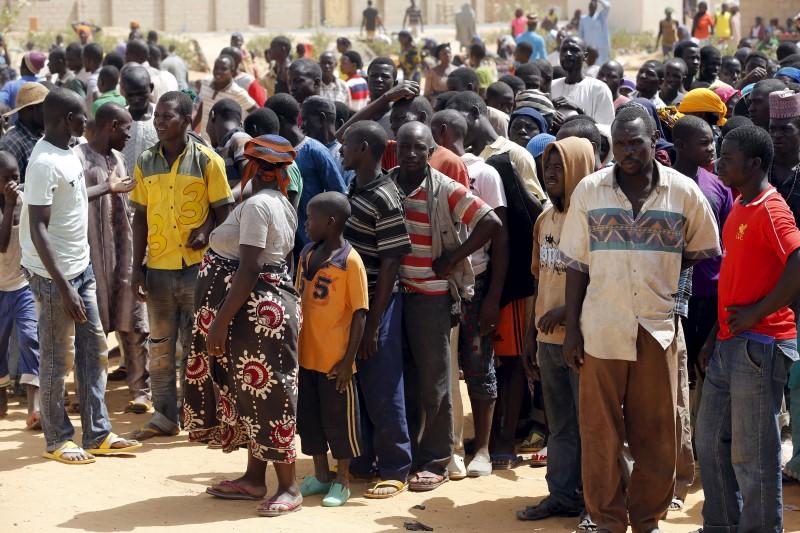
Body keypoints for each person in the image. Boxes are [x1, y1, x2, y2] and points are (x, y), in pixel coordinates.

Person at [559, 105, 721, 533]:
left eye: (636, 142)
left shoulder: (684, 192)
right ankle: (607, 519)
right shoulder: (590, 191)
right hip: (601, 328)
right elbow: (576, 264)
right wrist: (571, 329)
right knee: (600, 436)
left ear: (654, 141)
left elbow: (702, 249)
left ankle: (646, 519)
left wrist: (659, 274)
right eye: (620, 144)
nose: (628, 151)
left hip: (657, 329)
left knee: (657, 436)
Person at [20, 88, 143, 463]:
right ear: (65, 119)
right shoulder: (43, 163)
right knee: (57, 358)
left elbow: (70, 199)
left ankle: (97, 433)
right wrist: (63, 286)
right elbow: (39, 228)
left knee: (94, 351)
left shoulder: (66, 153)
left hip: (81, 267)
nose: (87, 124)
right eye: (81, 117)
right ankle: (57, 439)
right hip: (54, 276)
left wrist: (106, 187)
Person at [182, 134, 302, 516]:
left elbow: (250, 267)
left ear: (251, 168)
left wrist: (219, 323)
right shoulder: (279, 202)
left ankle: (289, 487)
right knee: (251, 391)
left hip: (255, 314)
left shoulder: (259, 206)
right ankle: (253, 479)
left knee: (270, 394)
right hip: (255, 312)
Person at [696, 124, 800, 533]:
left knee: (753, 453)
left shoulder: (772, 208)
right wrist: (713, 336)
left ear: (754, 164)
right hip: (729, 341)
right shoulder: (742, 202)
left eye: (729, 158)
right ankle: (721, 524)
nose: (720, 164)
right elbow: (735, 277)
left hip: (761, 342)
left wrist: (758, 312)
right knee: (709, 440)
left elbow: (797, 260)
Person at [391, 121, 500, 491]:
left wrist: (453, 257)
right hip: (393, 297)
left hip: (433, 297)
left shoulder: (445, 189)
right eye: (404, 146)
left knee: (436, 381)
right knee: (402, 379)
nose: (410, 154)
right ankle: (406, 456)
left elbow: (491, 222)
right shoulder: (388, 184)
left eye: (418, 148)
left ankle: (436, 461)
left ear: (430, 149)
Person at [129, 91, 234, 441]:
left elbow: (225, 215)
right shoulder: (145, 161)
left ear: (187, 120)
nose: (159, 122)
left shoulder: (207, 161)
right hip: (158, 269)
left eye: (167, 116)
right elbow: (140, 219)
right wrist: (136, 269)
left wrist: (206, 232)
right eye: (157, 116)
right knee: (159, 346)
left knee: (197, 347)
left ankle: (201, 418)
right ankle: (164, 416)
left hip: (197, 270)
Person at [516, 136, 595, 523]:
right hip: (547, 341)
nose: (550, 173)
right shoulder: (544, 220)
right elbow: (539, 278)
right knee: (560, 425)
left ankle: (598, 501)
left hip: (583, 340)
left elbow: (603, 278)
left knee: (592, 425)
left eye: (559, 166)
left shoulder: (594, 219)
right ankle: (562, 495)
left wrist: (568, 311)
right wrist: (531, 334)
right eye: (547, 166)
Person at [430, 109, 509, 477]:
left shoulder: (486, 173)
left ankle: (483, 450)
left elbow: (499, 233)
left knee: (479, 364)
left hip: (475, 283)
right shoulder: (427, 169)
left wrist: (494, 295)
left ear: (442, 132)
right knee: (444, 367)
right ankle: (448, 446)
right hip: (439, 286)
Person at [339, 121, 413, 498]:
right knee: (359, 385)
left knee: (384, 386)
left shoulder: (386, 195)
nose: (341, 151)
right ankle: (364, 460)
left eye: (347, 145)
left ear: (364, 148)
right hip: (355, 303)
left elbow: (391, 263)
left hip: (378, 302)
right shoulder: (356, 186)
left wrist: (373, 324)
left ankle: (396, 468)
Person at [670, 115, 733, 510]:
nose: (711, 149)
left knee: (706, 374)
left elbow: (726, 243)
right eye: (703, 143)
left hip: (711, 293)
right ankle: (680, 460)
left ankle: (703, 459)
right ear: (680, 145)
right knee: (678, 380)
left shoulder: (718, 186)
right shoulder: (662, 184)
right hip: (675, 295)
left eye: (712, 143)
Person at [75, 103, 151, 414]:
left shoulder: (119, 159)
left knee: (134, 326)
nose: (129, 135)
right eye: (125, 128)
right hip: (89, 259)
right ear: (111, 127)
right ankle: (89, 396)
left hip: (122, 257)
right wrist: (107, 188)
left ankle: (140, 392)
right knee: (91, 335)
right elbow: (70, 198)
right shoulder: (77, 158)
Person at [295, 191, 368, 507]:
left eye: (311, 218)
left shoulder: (351, 262)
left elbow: (360, 313)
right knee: (310, 421)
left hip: (334, 361)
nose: (306, 224)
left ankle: (343, 480)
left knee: (340, 423)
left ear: (331, 222)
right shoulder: (307, 254)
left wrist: (348, 359)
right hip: (305, 356)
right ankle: (321, 475)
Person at [265, 93, 346, 253]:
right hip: (280, 239)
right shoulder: (272, 152)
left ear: (279, 120)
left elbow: (339, 194)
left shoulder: (315, 150)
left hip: (310, 241)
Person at [0, 152, 40, 428]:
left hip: (23, 283)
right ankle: (1, 398)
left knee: (29, 339)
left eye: (16, 177)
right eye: (6, 178)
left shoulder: (24, 201)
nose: (13, 182)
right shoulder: (9, 203)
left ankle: (34, 407)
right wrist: (9, 204)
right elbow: (2, 245)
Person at [447, 91, 546, 201]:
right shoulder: (464, 157)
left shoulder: (516, 154)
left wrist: (513, 178)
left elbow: (538, 210)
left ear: (475, 112)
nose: (454, 129)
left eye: (457, 121)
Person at [550, 36, 615, 126]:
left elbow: (607, 130)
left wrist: (578, 110)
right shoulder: (551, 86)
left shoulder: (599, 89)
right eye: (564, 50)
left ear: (585, 56)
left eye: (574, 50)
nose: (567, 54)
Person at [196, 55, 257, 143]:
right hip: (204, 141)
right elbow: (202, 108)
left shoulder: (237, 92)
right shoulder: (205, 83)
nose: (218, 71)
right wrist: (192, 130)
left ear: (232, 71)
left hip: (224, 145)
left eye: (223, 69)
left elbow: (256, 111)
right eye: (216, 68)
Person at [0, 83, 46, 183]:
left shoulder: (41, 135)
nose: (50, 113)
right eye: (45, 108)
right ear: (31, 109)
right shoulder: (12, 143)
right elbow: (8, 189)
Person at [300, 96, 353, 184]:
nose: (302, 125)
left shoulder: (343, 156)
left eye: (305, 119)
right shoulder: (302, 151)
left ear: (321, 119)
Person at [119, 66, 158, 176]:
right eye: (131, 95)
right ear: (122, 91)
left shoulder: (162, 118)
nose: (136, 99)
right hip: (124, 188)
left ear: (151, 88)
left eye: (141, 93)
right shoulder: (118, 119)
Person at [205, 98, 251, 191]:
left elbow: (251, 180)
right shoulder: (224, 146)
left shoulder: (240, 138)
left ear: (212, 116)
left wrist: (226, 199)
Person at [447, 67, 508, 138]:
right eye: (448, 90)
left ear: (470, 88)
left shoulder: (497, 118)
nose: (449, 93)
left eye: (453, 89)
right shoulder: (450, 116)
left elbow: (504, 147)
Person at [578, 0, 611, 64]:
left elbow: (608, 6)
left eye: (594, 6)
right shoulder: (583, 19)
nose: (592, 7)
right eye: (591, 6)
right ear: (588, 7)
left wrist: (599, 1)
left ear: (596, 7)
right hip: (587, 48)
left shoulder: (601, 17)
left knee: (600, 66)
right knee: (585, 65)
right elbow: (580, 34)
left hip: (599, 49)